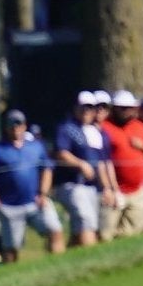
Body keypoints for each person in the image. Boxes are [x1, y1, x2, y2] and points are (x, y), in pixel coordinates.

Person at [0, 109, 62, 260]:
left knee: (55, 231)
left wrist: (43, 194)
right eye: (12, 125)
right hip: (9, 207)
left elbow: (47, 169)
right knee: (11, 249)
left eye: (19, 124)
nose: (16, 128)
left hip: (35, 202)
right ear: (6, 128)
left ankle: (56, 265)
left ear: (24, 126)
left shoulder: (36, 146)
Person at [51, 92, 111, 247]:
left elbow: (102, 163)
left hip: (91, 187)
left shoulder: (96, 133)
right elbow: (61, 153)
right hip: (71, 184)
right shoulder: (66, 128)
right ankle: (93, 260)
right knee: (86, 221)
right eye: (83, 107)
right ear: (76, 108)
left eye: (90, 107)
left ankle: (68, 259)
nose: (86, 111)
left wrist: (107, 188)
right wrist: (80, 164)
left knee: (84, 227)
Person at [100, 88, 143, 236]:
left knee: (132, 231)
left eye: (130, 108)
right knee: (105, 233)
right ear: (115, 108)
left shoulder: (140, 126)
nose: (127, 111)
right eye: (123, 108)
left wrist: (142, 146)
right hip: (114, 190)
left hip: (137, 190)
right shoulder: (105, 127)